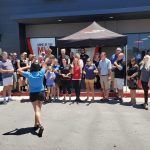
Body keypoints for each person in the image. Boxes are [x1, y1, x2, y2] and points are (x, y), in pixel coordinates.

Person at [17, 60, 48, 137]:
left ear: (32, 67)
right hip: (41, 92)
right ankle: (35, 124)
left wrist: (27, 66)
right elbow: (44, 65)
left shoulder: (29, 74)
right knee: (38, 110)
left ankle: (40, 124)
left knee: (36, 110)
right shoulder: (41, 72)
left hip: (33, 93)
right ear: (38, 67)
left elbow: (18, 70)